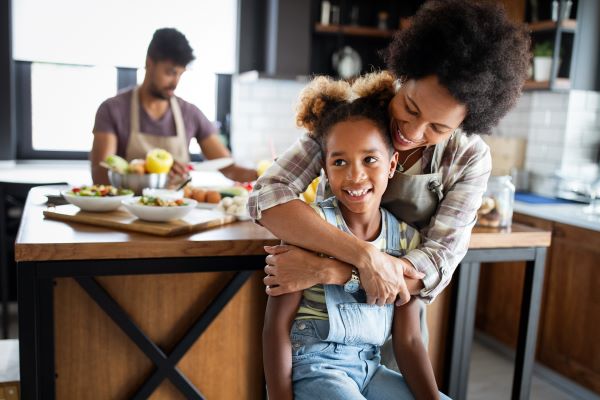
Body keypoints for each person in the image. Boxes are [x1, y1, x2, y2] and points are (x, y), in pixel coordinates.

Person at [249, 0, 530, 308]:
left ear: (466, 123)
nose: (412, 131)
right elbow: (267, 196)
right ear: (403, 75)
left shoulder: (468, 158)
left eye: (437, 127)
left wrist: (333, 270)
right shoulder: (349, 117)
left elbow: (437, 264)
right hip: (322, 308)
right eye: (410, 107)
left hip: (400, 313)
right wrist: (363, 255)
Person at [263, 72, 448, 400]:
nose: (355, 175)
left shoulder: (406, 239)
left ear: (392, 165)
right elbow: (276, 328)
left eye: (370, 159)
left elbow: (409, 340)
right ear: (324, 168)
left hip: (371, 368)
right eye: (340, 161)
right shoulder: (310, 228)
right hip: (315, 368)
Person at [90, 28, 257, 185]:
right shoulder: (112, 109)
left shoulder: (190, 113)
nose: (175, 82)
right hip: (126, 214)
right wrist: (153, 171)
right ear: (149, 63)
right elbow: (100, 174)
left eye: (180, 74)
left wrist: (265, 173)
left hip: (178, 211)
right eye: (169, 73)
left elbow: (229, 167)